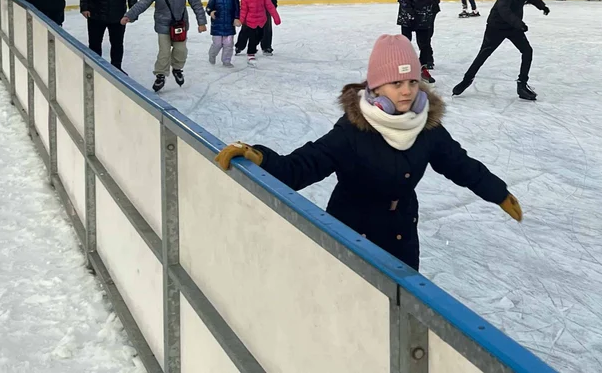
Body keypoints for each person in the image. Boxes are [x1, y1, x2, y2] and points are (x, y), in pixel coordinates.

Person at [213, 35, 523, 271]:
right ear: (376, 87)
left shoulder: (426, 127)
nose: (406, 91)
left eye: (413, 81)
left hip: (401, 232)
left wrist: (498, 192)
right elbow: (300, 168)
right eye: (396, 82)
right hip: (352, 234)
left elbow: (460, 164)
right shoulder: (352, 131)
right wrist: (258, 156)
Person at [452, 0, 548, 101]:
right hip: (496, 26)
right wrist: (518, 23)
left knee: (527, 51)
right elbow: (503, 9)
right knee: (484, 53)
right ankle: (466, 80)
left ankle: (521, 85)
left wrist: (542, 6)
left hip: (513, 27)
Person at [122, 0, 208, 92]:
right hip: (163, 25)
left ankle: (177, 69)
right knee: (164, 51)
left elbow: (196, 3)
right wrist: (129, 15)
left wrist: (201, 22)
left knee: (181, 50)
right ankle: (160, 74)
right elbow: (143, 3)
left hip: (180, 24)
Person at [398, 0, 441, 83]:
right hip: (409, 16)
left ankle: (422, 69)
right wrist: (410, 14)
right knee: (406, 43)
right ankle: (403, 67)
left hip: (425, 17)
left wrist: (433, 11)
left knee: (425, 44)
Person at [239, 0, 281, 64]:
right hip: (250, 21)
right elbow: (243, 10)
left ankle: (253, 47)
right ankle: (251, 53)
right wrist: (241, 20)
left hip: (262, 20)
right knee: (252, 38)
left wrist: (276, 17)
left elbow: (270, 6)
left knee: (260, 36)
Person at [206, 0, 241, 68]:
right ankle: (212, 54)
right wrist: (211, 12)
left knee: (229, 44)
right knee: (217, 44)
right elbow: (208, 8)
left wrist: (237, 18)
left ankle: (226, 61)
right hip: (217, 25)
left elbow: (237, 8)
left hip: (229, 25)